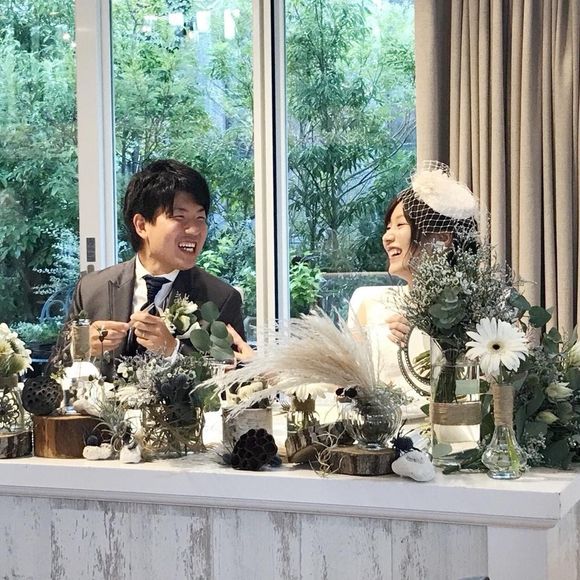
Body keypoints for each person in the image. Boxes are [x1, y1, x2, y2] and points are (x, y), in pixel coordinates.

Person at [52, 159, 245, 370]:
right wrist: (81, 348)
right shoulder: (92, 289)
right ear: (141, 225)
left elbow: (236, 381)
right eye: (180, 217)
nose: (195, 230)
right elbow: (53, 374)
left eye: (200, 218)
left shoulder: (220, 299)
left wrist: (173, 350)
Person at [348, 162, 479, 413]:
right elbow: (351, 385)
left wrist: (425, 332)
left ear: (442, 239)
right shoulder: (367, 303)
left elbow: (472, 394)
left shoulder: (475, 312)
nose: (387, 237)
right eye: (388, 227)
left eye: (400, 225)